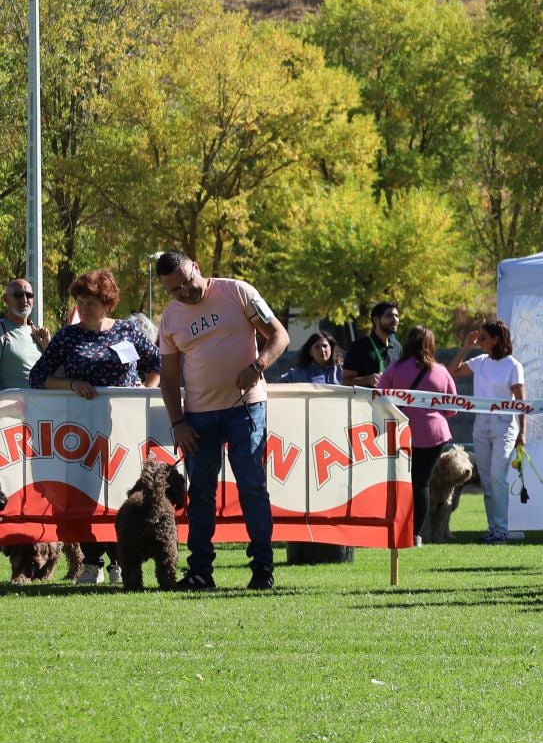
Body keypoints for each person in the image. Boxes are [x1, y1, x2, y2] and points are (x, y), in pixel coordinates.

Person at [155, 251, 290, 591]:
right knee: (200, 493)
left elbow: (279, 336)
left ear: (196, 268)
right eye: (175, 290)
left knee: (251, 486)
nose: (185, 293)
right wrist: (178, 423)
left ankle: (262, 567)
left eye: (187, 283)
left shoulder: (237, 292)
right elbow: (169, 380)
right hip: (198, 416)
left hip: (245, 406)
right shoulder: (170, 319)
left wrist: (257, 366)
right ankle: (200, 570)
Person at [28, 269, 162, 584]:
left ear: (107, 303)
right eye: (81, 301)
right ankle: (91, 562)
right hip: (80, 430)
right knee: (84, 492)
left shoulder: (128, 330)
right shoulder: (67, 335)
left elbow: (157, 362)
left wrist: (147, 387)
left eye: (92, 302)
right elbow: (38, 376)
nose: (85, 307)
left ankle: (120, 561)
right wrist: (71, 383)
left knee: (125, 493)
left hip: (126, 430)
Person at [446, 320, 527, 544]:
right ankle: (494, 529)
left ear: (496, 339)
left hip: (504, 425)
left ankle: (500, 529)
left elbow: (522, 402)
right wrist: (466, 347)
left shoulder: (513, 365)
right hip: (481, 424)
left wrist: (523, 433)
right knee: (487, 480)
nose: (480, 340)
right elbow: (451, 372)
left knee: (497, 476)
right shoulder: (480, 361)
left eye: (483, 337)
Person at [378, 326, 459, 544]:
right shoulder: (441, 371)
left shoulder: (394, 368)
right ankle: (416, 534)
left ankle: (395, 528)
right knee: (421, 484)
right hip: (433, 434)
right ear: (431, 345)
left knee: (399, 483)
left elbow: (380, 399)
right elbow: (452, 408)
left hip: (401, 432)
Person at [0, 278, 50, 391]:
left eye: (29, 295)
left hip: (40, 406)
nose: (24, 299)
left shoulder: (38, 334)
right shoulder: (2, 331)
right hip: (10, 407)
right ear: (5, 299)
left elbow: (54, 374)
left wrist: (47, 347)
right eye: (18, 295)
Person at [343, 301, 402, 387]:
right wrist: (366, 380)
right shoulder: (359, 346)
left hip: (391, 400)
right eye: (389, 316)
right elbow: (345, 381)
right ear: (376, 320)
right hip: (364, 400)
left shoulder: (397, 347)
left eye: (397, 316)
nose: (395, 320)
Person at [280, 332, 345, 384]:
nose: (322, 350)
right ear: (310, 352)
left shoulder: (343, 370)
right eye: (317, 347)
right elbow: (278, 386)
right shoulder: (300, 373)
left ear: (331, 348)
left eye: (325, 346)